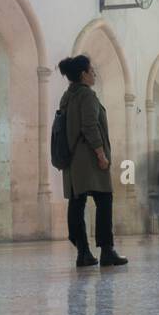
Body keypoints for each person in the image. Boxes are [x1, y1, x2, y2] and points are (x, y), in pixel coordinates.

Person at [58, 55, 128, 268]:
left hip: (71, 159)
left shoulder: (67, 96)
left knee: (77, 203)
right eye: (92, 70)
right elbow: (90, 127)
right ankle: (107, 250)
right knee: (104, 200)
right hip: (88, 159)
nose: (94, 73)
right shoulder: (87, 95)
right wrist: (101, 154)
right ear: (83, 74)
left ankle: (83, 252)